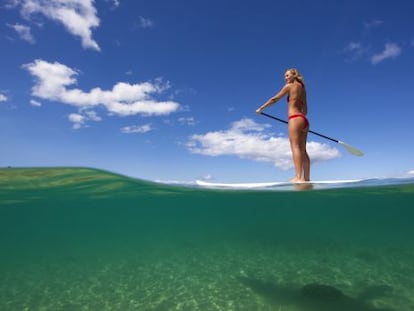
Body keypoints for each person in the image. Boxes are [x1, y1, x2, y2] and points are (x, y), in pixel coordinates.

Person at [256, 68, 310, 182]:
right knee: (303, 149)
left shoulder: (289, 86)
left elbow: (274, 99)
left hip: (294, 119)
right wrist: (299, 118)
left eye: (287, 75)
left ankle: (298, 177)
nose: (285, 78)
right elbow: (305, 109)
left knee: (295, 147)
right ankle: (306, 178)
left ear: (294, 75)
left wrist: (261, 108)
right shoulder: (303, 89)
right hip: (304, 120)